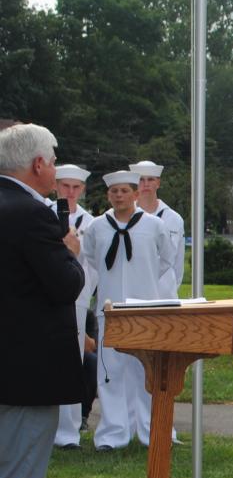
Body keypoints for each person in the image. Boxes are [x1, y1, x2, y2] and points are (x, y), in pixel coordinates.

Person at [0, 123, 86, 478]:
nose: (55, 169)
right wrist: (70, 251)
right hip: (26, 376)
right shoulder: (31, 214)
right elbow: (65, 284)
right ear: (37, 165)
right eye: (53, 160)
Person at [82, 170, 173, 450]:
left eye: (125, 191)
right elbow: (91, 258)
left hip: (144, 308)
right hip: (110, 308)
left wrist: (141, 282)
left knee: (145, 371)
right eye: (114, 191)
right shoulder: (98, 226)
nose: (119, 196)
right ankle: (113, 433)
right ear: (108, 195)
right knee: (111, 371)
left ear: (136, 194)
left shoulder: (153, 226)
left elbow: (165, 260)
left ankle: (149, 430)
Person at [52, 163, 95, 449]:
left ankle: (68, 431)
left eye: (75, 187)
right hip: (43, 300)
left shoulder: (91, 224)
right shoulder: (41, 213)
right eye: (65, 186)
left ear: (82, 190)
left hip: (76, 301)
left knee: (71, 363)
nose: (70, 192)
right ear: (56, 186)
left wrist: (76, 256)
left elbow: (94, 267)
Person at [128, 159, 186, 296]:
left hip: (165, 291)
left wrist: (171, 287)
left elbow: (178, 261)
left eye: (151, 179)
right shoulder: (125, 216)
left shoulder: (174, 219)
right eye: (141, 180)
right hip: (133, 291)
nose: (146, 184)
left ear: (158, 183)